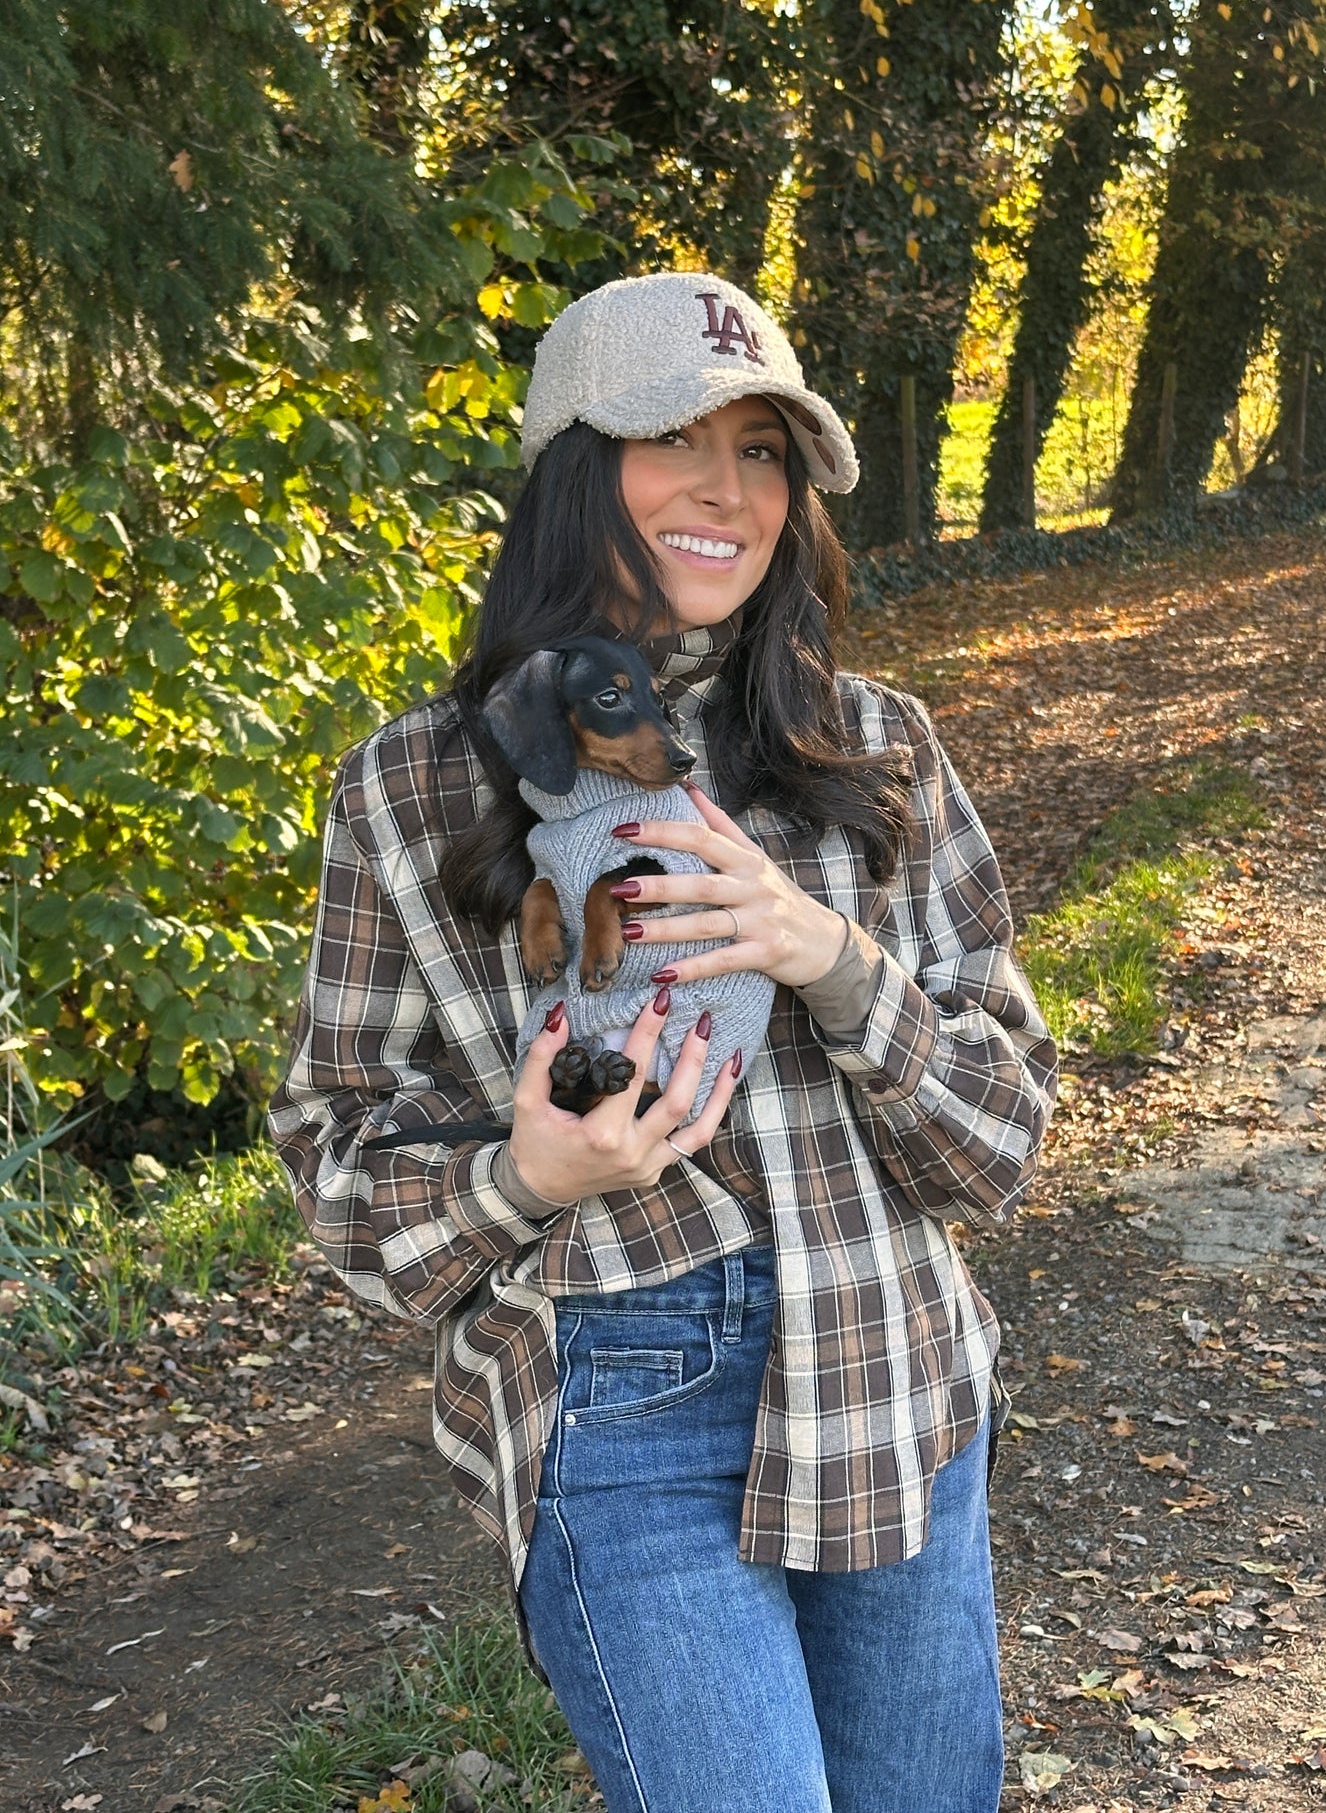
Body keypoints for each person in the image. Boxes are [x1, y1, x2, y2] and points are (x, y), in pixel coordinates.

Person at [268, 270, 1058, 1813]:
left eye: (761, 448)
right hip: (620, 1398)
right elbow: (332, 1160)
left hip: (886, 1370)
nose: (724, 489)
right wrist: (524, 1175)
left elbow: (1003, 1139)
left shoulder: (874, 746)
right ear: (571, 476)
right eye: (669, 440)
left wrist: (830, 960)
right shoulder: (410, 787)